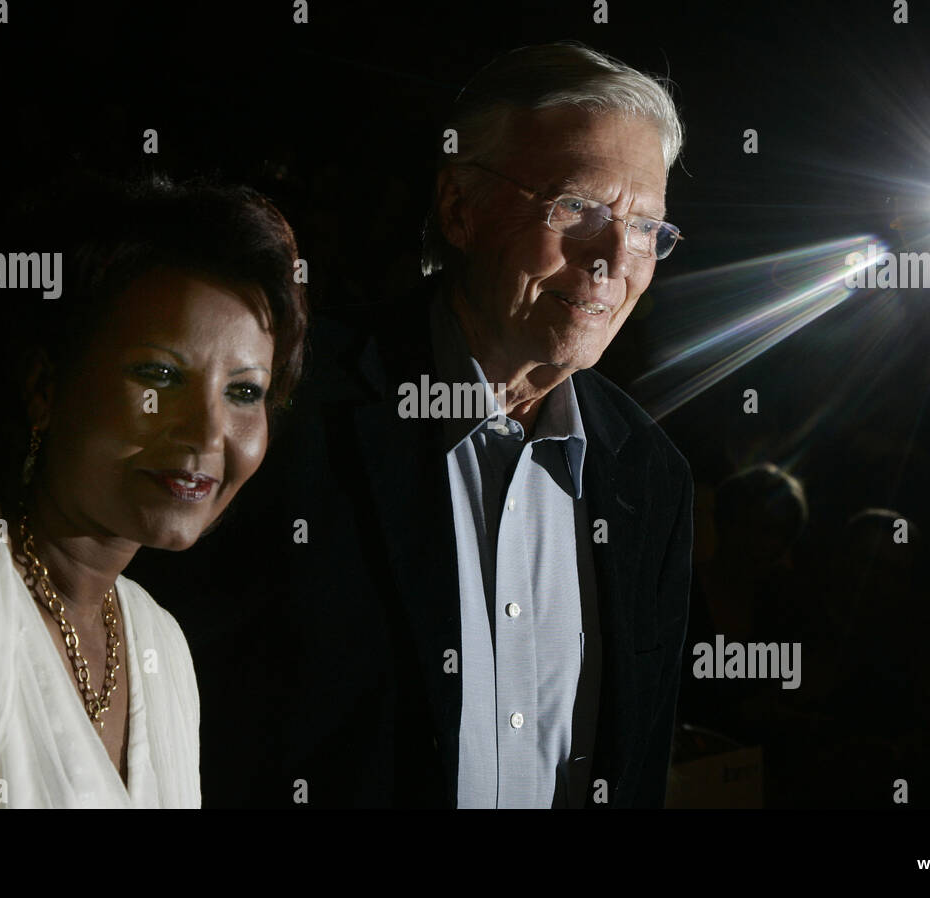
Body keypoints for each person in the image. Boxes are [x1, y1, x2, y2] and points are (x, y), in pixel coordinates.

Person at [128, 41, 692, 808]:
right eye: (575, 208)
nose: (610, 259)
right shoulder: (291, 402)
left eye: (644, 227)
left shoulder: (652, 478)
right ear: (459, 208)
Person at [0, 176, 308, 808]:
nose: (209, 434)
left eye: (244, 392)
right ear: (45, 385)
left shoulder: (161, 646)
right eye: (160, 375)